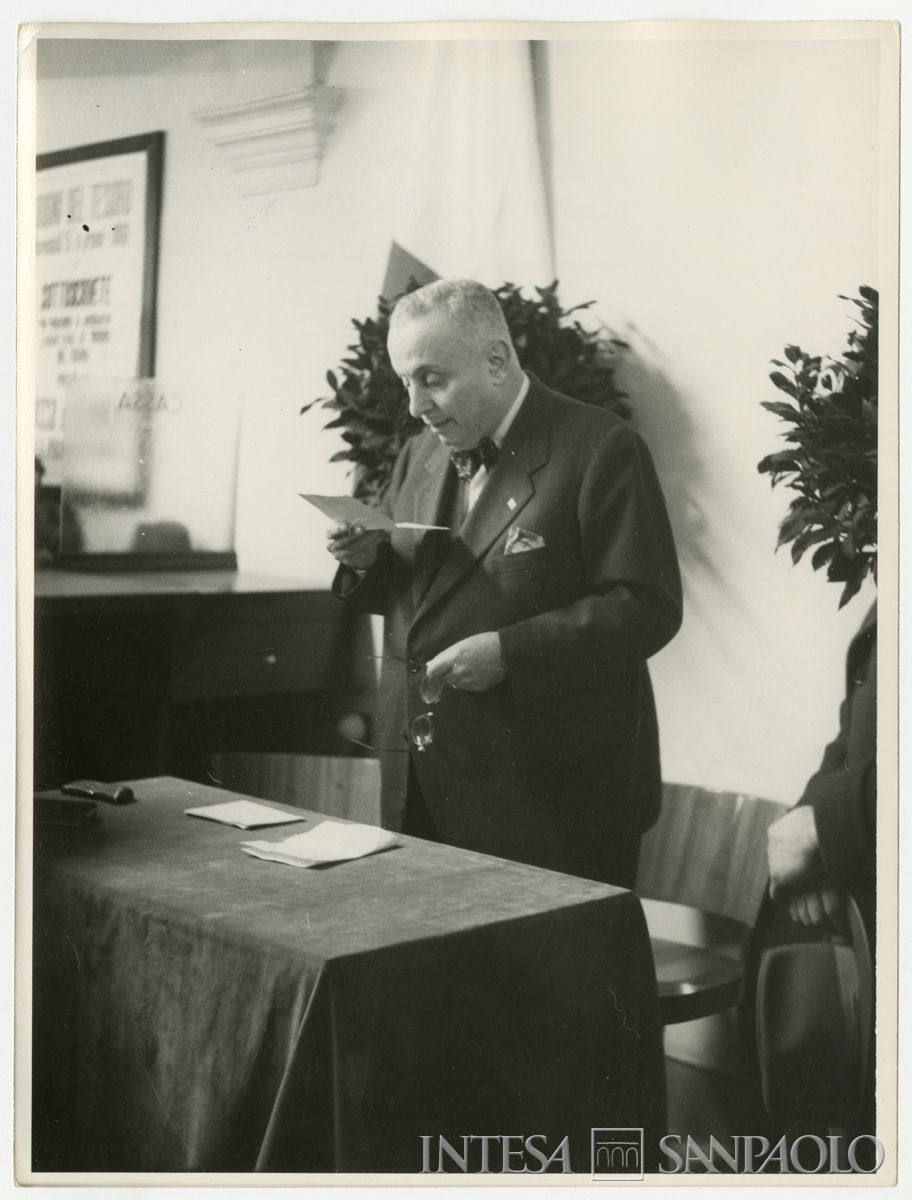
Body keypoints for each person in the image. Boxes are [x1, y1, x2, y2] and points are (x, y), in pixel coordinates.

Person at [327, 279, 682, 888]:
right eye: (405, 382)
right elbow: (422, 595)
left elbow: (647, 607)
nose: (414, 405)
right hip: (420, 786)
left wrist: (508, 655)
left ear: (495, 360)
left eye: (432, 379)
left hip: (550, 804)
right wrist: (363, 560)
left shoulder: (602, 448)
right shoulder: (419, 455)